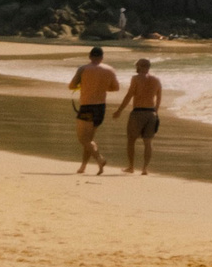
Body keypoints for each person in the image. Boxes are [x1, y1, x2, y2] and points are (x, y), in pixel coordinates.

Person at [68, 47, 121, 175]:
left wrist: (84, 86)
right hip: (101, 108)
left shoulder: (83, 69)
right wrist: (101, 87)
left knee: (83, 139)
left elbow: (71, 85)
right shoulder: (110, 70)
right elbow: (116, 88)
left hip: (87, 106)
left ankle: (99, 158)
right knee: (89, 139)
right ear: (102, 57)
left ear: (90, 56)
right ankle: (83, 167)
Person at [120, 58, 163, 175]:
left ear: (140, 66)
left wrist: (119, 110)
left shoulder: (136, 78)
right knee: (148, 142)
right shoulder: (157, 80)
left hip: (138, 112)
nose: (136, 69)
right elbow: (159, 98)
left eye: (137, 66)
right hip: (151, 113)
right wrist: (156, 112)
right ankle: (145, 169)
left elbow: (129, 95)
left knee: (131, 140)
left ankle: (131, 167)